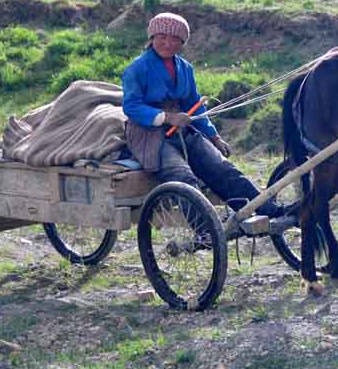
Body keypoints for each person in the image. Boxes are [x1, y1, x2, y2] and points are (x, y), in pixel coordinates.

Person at [122, 12, 291, 222]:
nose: (168, 43)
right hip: (148, 135)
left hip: (183, 131)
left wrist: (213, 137)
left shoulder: (185, 68)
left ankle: (265, 209)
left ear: (182, 42)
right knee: (182, 176)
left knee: (224, 169)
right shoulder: (137, 68)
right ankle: (206, 231)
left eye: (175, 39)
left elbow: (194, 107)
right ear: (152, 38)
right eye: (162, 37)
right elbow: (131, 106)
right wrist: (167, 117)